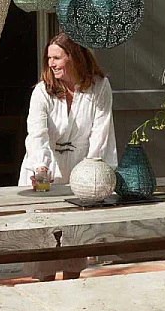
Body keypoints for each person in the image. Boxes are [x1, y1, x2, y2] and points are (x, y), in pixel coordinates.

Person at [19, 32, 118, 280]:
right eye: (49, 58)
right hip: (46, 169)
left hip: (81, 169)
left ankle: (71, 292)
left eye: (57, 58)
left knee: (75, 241)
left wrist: (92, 171)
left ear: (74, 57)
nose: (51, 64)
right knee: (45, 242)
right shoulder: (42, 92)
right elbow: (37, 134)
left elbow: (101, 131)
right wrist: (41, 168)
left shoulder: (99, 87)